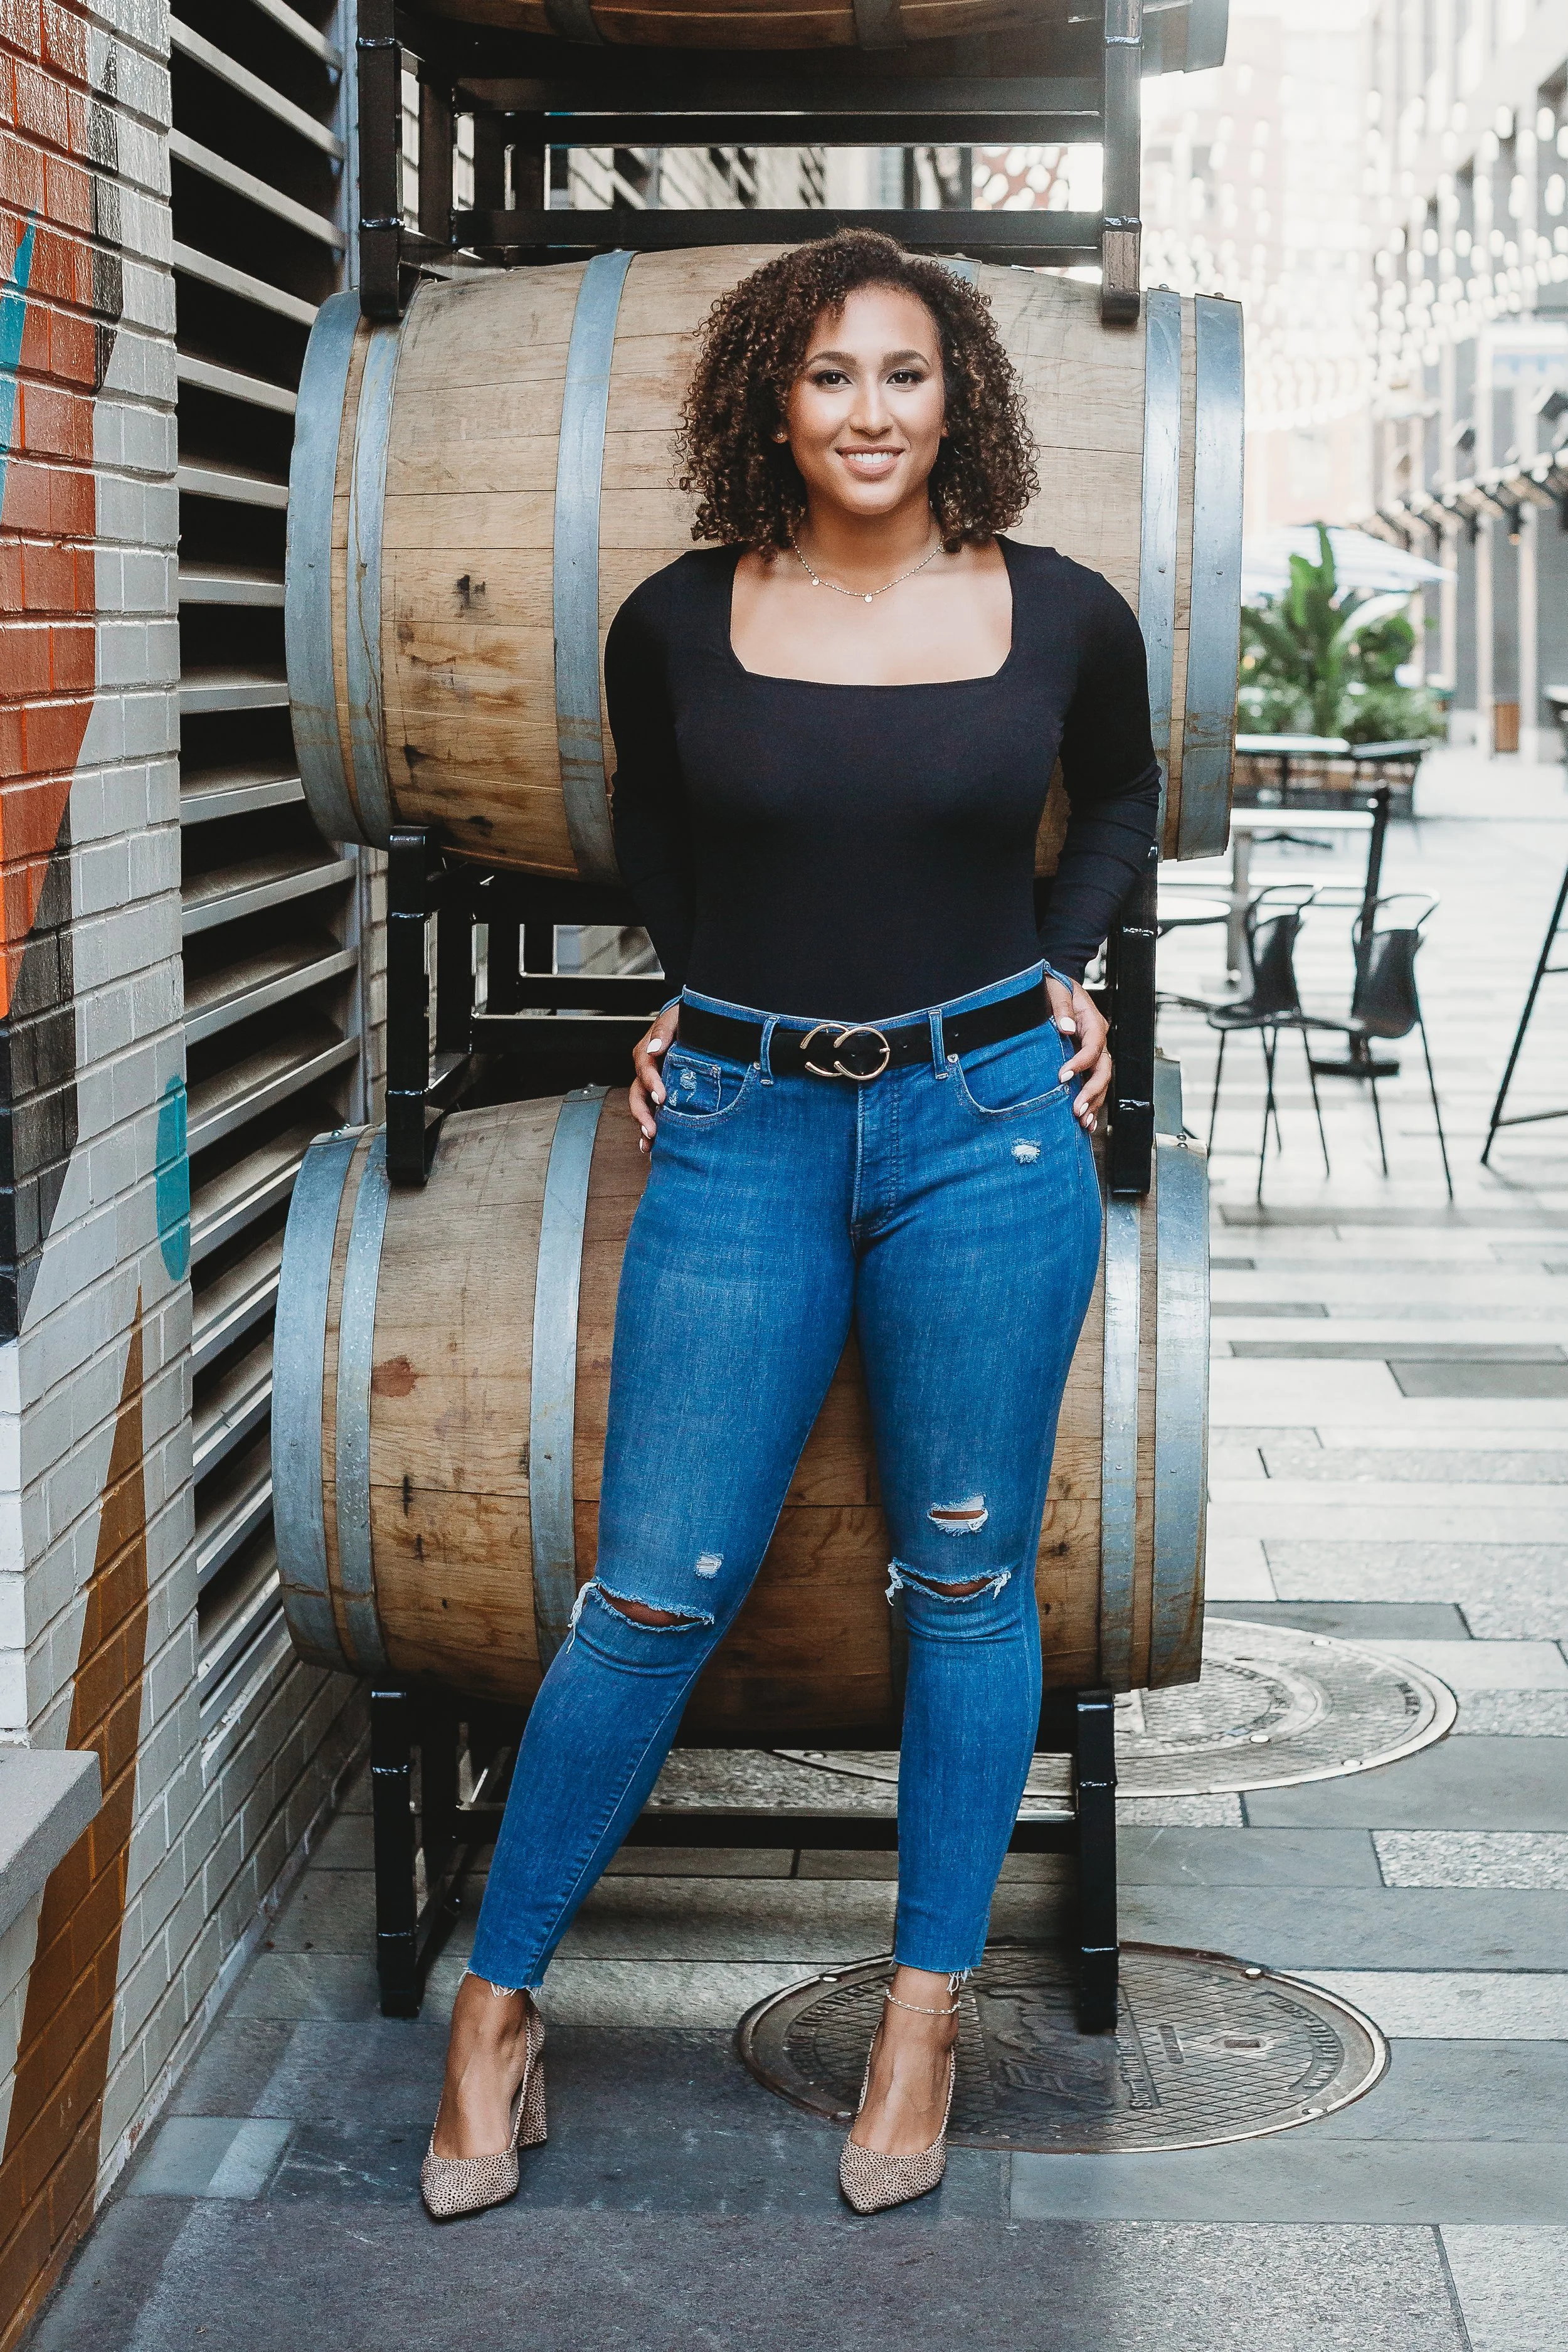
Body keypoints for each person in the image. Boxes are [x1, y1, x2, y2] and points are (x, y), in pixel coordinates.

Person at [421, 229, 1160, 2222]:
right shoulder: (673, 619)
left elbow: (1118, 799)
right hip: (741, 1123)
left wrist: (1067, 965)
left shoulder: (1064, 613)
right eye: (827, 373)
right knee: (651, 1586)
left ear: (959, 401)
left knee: (967, 1584)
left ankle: (919, 2018)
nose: (865, 410)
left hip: (987, 1126)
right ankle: (496, 2009)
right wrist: (697, 981)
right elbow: (655, 824)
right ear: (771, 397)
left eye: (903, 374)